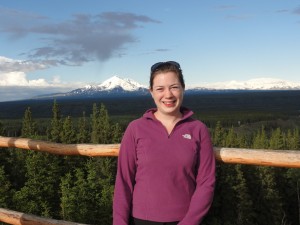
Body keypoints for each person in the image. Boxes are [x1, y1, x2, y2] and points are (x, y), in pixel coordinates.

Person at [113, 61, 216, 225]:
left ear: (183, 88)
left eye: (174, 87)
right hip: (141, 220)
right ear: (151, 92)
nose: (168, 95)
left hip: (185, 220)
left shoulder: (198, 130)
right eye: (160, 89)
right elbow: (124, 181)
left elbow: (206, 183)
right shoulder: (136, 129)